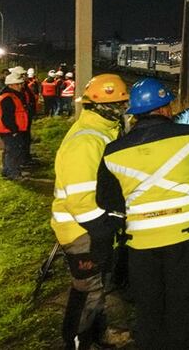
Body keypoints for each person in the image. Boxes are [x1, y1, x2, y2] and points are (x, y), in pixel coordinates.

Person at [96, 78, 189, 349]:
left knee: (148, 304)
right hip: (185, 234)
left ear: (134, 113)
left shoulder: (113, 152)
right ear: (166, 109)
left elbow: (106, 199)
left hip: (141, 241)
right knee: (180, 300)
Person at [51, 74, 131, 350]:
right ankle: (78, 340)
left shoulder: (101, 132)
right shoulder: (87, 141)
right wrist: (103, 230)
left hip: (91, 226)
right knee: (88, 289)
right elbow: (81, 200)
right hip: (82, 229)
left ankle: (99, 333)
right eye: (120, 105)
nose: (124, 110)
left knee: (97, 284)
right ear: (103, 107)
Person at [0, 69, 31, 180]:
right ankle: (13, 173)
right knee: (14, 151)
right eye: (19, 84)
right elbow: (7, 117)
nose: (21, 86)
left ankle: (7, 170)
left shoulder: (11, 96)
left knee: (9, 150)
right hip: (9, 130)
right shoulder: (8, 98)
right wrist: (14, 130)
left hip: (8, 130)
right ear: (12, 85)